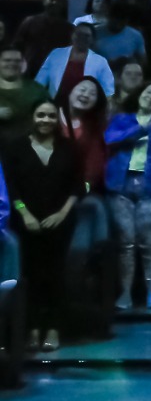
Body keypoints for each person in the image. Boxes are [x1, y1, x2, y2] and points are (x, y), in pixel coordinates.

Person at [4, 100, 83, 352]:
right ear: (32, 117)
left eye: (50, 116)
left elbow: (77, 187)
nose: (45, 120)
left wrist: (61, 214)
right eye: (40, 115)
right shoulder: (15, 148)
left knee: (55, 275)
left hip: (60, 222)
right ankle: (33, 329)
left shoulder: (69, 148)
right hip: (26, 222)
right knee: (31, 275)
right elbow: (11, 188)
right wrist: (24, 214)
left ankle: (54, 329)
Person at [102, 80, 151, 312]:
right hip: (121, 187)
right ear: (139, 93)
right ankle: (125, 292)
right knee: (126, 243)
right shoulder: (122, 119)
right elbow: (109, 140)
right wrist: (139, 129)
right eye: (148, 92)